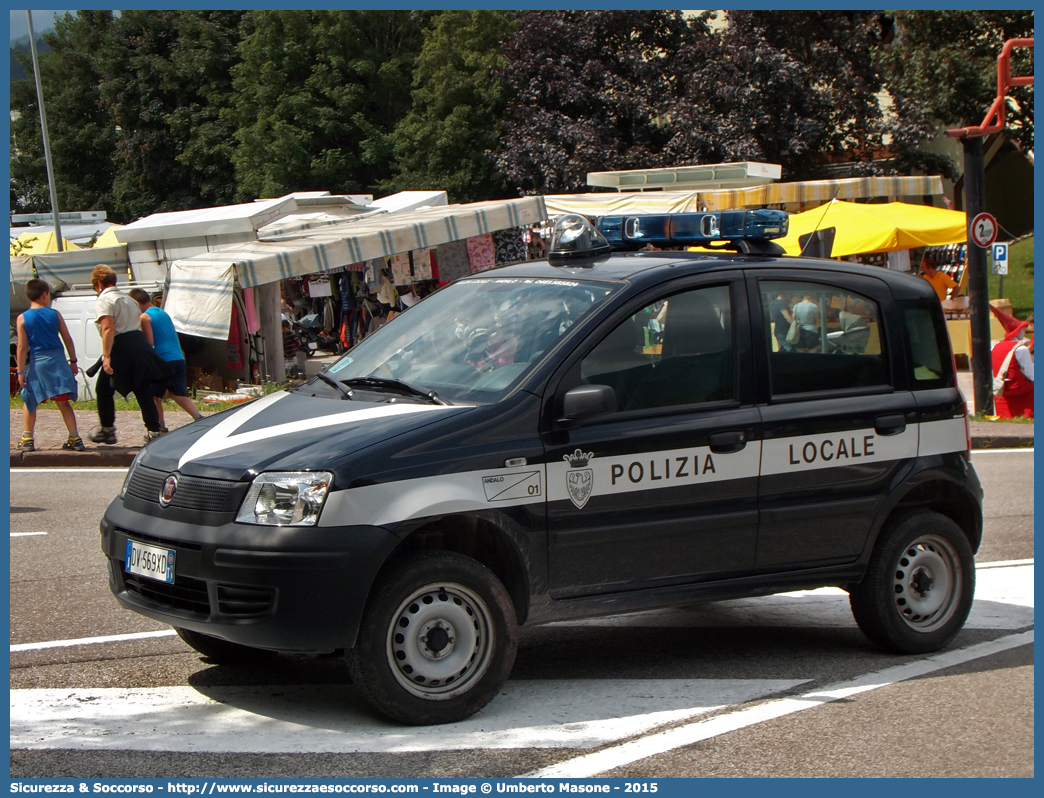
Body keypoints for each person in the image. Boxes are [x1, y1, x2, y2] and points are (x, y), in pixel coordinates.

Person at [87, 266, 173, 444]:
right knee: (142, 389)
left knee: (103, 388)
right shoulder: (129, 300)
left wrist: (106, 356)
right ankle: (154, 431)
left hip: (121, 345)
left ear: (98, 284)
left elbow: (108, 328)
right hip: (137, 343)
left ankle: (107, 429)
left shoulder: (105, 300)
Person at [15, 279, 84, 452]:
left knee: (30, 400)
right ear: (45, 295)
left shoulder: (22, 318)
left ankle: (27, 438)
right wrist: (73, 361)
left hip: (38, 363)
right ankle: (74, 437)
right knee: (63, 402)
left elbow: (22, 347)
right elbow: (67, 339)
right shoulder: (55, 315)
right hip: (58, 362)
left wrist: (20, 371)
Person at [128, 288, 203, 431]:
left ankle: (160, 426)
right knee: (178, 393)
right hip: (178, 357)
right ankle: (197, 417)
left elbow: (149, 342)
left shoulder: (145, 317)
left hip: (163, 360)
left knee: (153, 395)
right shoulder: (162, 313)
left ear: (136, 303)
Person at [992, 314, 1034, 419]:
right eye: (1022, 330)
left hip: (1002, 387)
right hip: (1018, 387)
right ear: (1017, 331)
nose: (1024, 332)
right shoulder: (1021, 349)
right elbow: (1030, 375)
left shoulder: (995, 346)